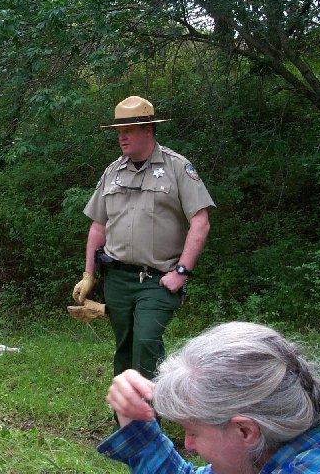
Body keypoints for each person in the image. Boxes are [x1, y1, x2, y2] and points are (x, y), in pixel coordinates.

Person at [70, 95, 215, 379]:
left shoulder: (176, 168)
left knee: (147, 343)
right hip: (118, 279)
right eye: (118, 132)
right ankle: (126, 420)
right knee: (124, 348)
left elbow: (200, 222)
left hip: (157, 279)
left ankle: (148, 418)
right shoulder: (112, 172)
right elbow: (98, 227)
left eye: (128, 131)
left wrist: (182, 272)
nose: (121, 138)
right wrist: (88, 275)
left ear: (148, 130)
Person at [99, 321, 320, 473]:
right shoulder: (274, 455)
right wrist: (134, 419)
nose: (187, 444)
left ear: (245, 431)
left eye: (193, 431)